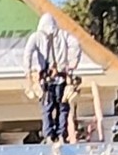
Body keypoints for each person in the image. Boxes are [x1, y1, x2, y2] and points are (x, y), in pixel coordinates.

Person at [24, 13, 83, 142]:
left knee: (48, 108)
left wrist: (27, 73)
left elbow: (27, 53)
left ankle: (50, 135)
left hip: (48, 81)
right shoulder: (63, 35)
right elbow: (76, 45)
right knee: (62, 107)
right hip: (60, 79)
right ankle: (61, 134)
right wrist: (73, 63)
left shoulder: (37, 37)